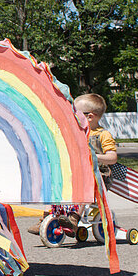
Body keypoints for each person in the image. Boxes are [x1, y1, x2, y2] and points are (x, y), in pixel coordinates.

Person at [28, 93, 117, 235]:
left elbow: (112, 157)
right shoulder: (77, 133)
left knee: (87, 180)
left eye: (75, 113)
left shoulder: (102, 135)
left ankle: (74, 219)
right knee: (55, 180)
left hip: (98, 177)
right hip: (77, 174)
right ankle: (46, 218)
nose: (72, 116)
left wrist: (94, 156)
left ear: (89, 116)